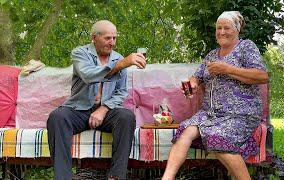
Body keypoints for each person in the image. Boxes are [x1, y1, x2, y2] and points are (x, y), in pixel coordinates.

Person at [162, 11, 269, 180]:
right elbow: (197, 76)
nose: (221, 32)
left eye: (226, 27)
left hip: (240, 113)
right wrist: (193, 84)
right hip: (210, 113)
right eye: (218, 28)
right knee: (185, 132)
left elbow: (262, 76)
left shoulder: (246, 47)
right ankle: (166, 178)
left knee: (217, 139)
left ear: (237, 30)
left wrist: (228, 69)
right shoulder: (212, 55)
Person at [47, 20, 146, 180]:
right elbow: (88, 75)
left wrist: (104, 109)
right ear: (94, 38)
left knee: (126, 117)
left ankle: (116, 176)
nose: (112, 43)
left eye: (114, 38)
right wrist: (121, 65)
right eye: (108, 38)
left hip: (106, 112)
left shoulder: (118, 58)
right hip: (78, 109)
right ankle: (63, 177)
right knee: (57, 117)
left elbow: (121, 92)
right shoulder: (80, 53)